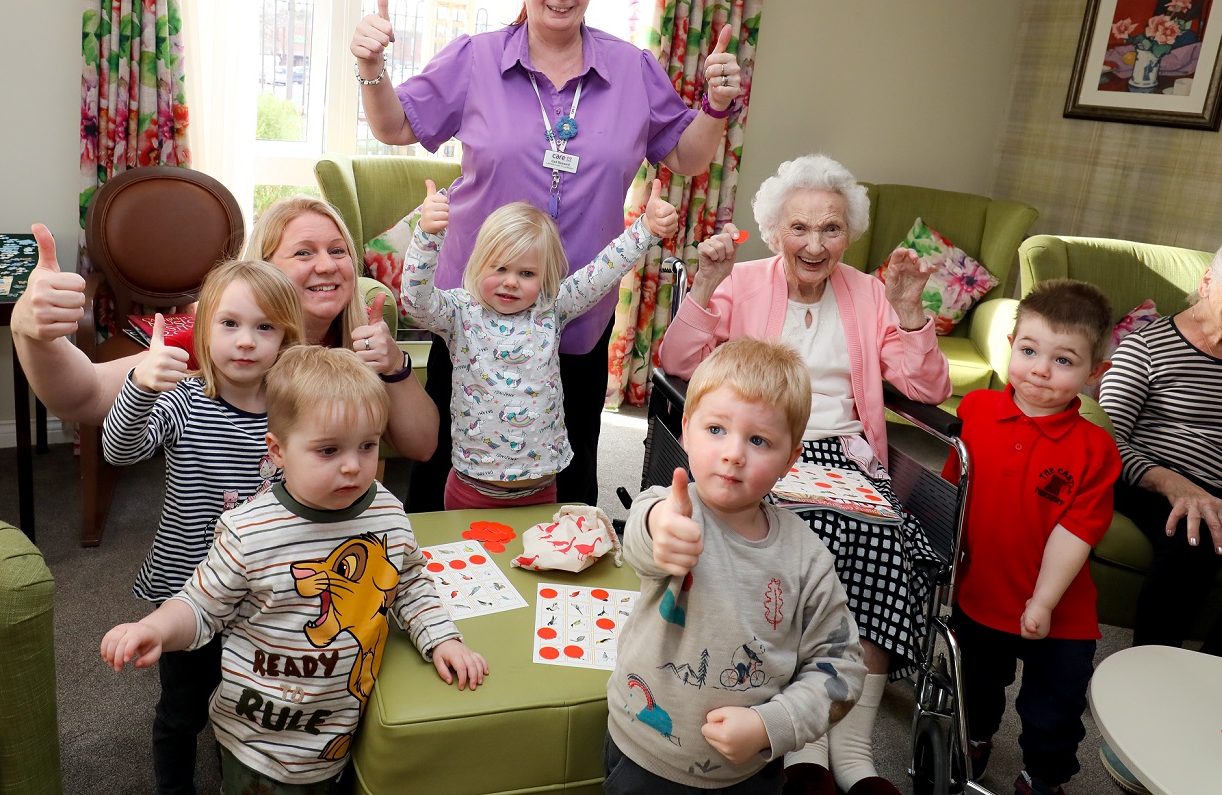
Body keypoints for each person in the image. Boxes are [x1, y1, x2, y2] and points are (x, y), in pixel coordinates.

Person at [351, 0, 743, 510]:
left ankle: (558, 587)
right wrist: (372, 69)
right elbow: (394, 124)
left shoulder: (632, 69)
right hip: (479, 308)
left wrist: (715, 106)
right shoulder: (476, 59)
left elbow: (687, 156)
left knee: (570, 459)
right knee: (454, 459)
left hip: (575, 307)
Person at [658, 154, 951, 795]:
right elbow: (677, 362)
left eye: (831, 229)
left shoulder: (871, 292)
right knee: (800, 538)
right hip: (763, 450)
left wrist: (906, 310)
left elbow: (927, 385)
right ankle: (806, 749)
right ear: (772, 231)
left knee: (881, 541)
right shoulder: (743, 282)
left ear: (850, 233)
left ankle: (853, 755)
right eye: (799, 228)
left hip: (846, 456)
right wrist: (705, 288)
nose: (815, 244)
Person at [100, 345, 488, 795]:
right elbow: (199, 607)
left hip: (344, 730)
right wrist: (155, 628)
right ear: (278, 451)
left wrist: (441, 637)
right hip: (259, 743)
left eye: (367, 445)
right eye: (328, 450)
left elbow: (410, 582)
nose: (352, 466)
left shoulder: (385, 509)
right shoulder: (248, 530)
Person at [606, 337, 866, 794]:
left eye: (759, 440)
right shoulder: (672, 510)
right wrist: (661, 530)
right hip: (642, 754)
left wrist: (772, 726)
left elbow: (842, 668)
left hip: (748, 772)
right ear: (685, 429)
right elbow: (644, 532)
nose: (733, 453)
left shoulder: (808, 559)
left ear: (790, 458)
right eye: (716, 429)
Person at [9, 195, 438, 460]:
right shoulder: (224, 339)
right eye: (304, 253)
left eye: (337, 250)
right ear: (263, 269)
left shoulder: (361, 335)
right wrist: (29, 331)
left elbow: (422, 448)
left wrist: (395, 366)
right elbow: (82, 396)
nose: (326, 265)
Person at [100, 260, 306, 794]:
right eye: (230, 324)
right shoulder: (183, 402)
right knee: (181, 711)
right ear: (205, 327)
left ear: (287, 337)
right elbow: (118, 450)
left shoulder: (293, 412)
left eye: (265, 327)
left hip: (263, 596)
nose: (246, 342)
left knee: (247, 700)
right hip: (184, 592)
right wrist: (139, 385)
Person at [941, 280, 1119, 795]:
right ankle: (973, 740)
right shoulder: (975, 411)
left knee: (1054, 708)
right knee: (974, 687)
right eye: (1029, 350)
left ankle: (1043, 778)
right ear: (1011, 346)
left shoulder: (1095, 449)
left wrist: (1042, 602)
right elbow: (952, 492)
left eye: (1064, 360)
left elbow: (1076, 531)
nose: (1040, 368)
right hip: (980, 594)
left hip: (1061, 612)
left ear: (1094, 374)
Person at [401, 180, 678, 509]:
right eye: (500, 267)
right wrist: (428, 236)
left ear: (544, 277)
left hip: (542, 489)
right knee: (476, 561)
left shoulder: (550, 309)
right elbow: (415, 302)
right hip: (472, 488)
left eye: (527, 273)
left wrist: (645, 229)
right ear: (479, 263)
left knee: (534, 559)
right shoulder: (460, 312)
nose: (510, 281)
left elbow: (601, 272)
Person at [1095, 241, 1222, 792]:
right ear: (1206, 281)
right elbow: (1107, 439)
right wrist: (1177, 485)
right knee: (1192, 540)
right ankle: (1142, 708)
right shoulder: (1149, 346)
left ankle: (1208, 710)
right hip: (1152, 481)